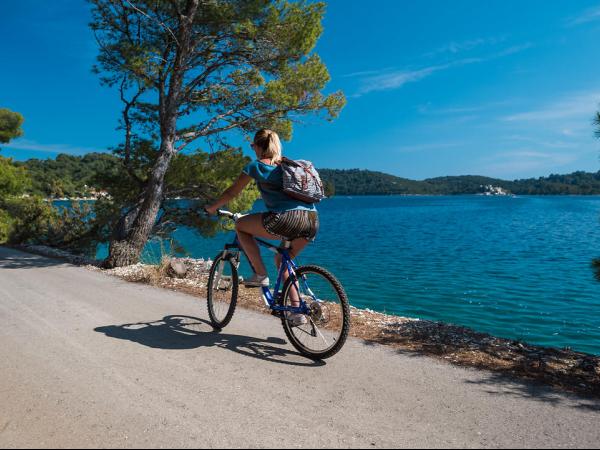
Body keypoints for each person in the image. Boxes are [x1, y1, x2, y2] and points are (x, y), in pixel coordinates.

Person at [205, 129, 319, 323]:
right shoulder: (289, 165)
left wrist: (212, 208)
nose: (252, 150)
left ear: (258, 146)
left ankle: (260, 274)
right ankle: (296, 309)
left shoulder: (257, 166)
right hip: (311, 220)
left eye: (252, 146)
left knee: (241, 226)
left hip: (285, 219)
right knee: (283, 260)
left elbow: (232, 192)